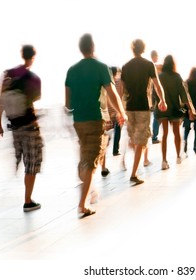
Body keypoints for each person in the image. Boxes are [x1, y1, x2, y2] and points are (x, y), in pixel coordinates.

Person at [65, 33, 127, 218]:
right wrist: (121, 112)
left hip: (78, 120)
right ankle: (83, 205)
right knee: (93, 162)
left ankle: (84, 176)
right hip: (95, 118)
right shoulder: (101, 68)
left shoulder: (71, 70)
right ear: (93, 46)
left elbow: (68, 103)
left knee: (88, 155)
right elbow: (112, 93)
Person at [0, 45, 43, 212]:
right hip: (30, 125)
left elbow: (0, 101)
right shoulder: (33, 78)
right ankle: (28, 200)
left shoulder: (8, 74)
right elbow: (37, 97)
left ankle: (26, 195)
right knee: (32, 162)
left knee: (23, 159)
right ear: (33, 57)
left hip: (14, 126)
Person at [121, 39, 167, 185]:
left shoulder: (126, 66)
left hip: (129, 107)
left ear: (132, 49)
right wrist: (162, 100)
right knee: (140, 141)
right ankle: (134, 174)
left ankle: (135, 161)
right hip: (142, 107)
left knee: (136, 139)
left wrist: (121, 110)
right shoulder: (149, 64)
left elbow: (122, 90)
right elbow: (157, 85)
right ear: (143, 49)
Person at [155, 55, 196, 170]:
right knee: (176, 133)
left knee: (164, 134)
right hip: (175, 109)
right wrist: (190, 110)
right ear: (173, 64)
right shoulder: (177, 77)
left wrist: (158, 104)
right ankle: (178, 156)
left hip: (163, 109)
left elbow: (155, 93)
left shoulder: (160, 76)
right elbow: (183, 95)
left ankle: (164, 160)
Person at [150, 50, 163, 144]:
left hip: (153, 94)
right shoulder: (153, 66)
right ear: (154, 56)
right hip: (155, 93)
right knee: (157, 116)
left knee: (157, 116)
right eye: (157, 56)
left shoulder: (154, 66)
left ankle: (154, 135)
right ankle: (154, 137)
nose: (158, 58)